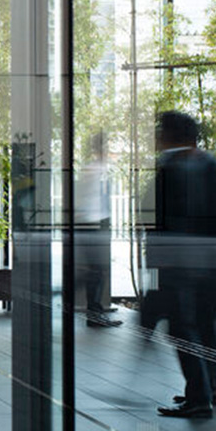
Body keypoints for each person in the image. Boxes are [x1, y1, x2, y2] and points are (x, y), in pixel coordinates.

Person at [145, 111, 216, 418]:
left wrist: (158, 269)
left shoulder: (173, 168)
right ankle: (209, 387)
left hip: (181, 267)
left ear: (169, 136)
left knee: (183, 329)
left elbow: (162, 224)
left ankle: (199, 398)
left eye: (159, 131)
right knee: (206, 326)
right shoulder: (211, 165)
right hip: (211, 265)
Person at [75, 132, 121, 328]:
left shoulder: (97, 169)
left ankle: (95, 312)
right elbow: (84, 199)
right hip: (92, 225)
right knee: (97, 270)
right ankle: (94, 314)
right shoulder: (93, 170)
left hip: (95, 225)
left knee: (97, 270)